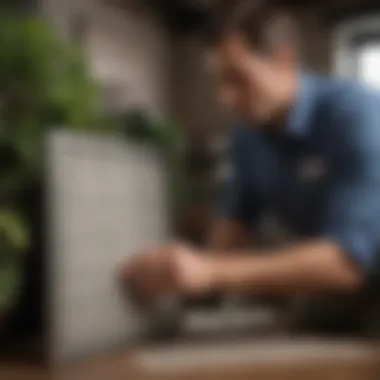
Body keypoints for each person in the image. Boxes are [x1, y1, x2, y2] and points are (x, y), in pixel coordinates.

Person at [121, 1, 380, 333]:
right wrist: (185, 280)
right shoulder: (248, 133)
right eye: (219, 81)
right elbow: (235, 223)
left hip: (359, 269)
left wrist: (211, 271)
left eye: (238, 79)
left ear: (283, 61)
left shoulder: (359, 117)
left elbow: (345, 263)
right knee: (297, 331)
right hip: (340, 282)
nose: (226, 98)